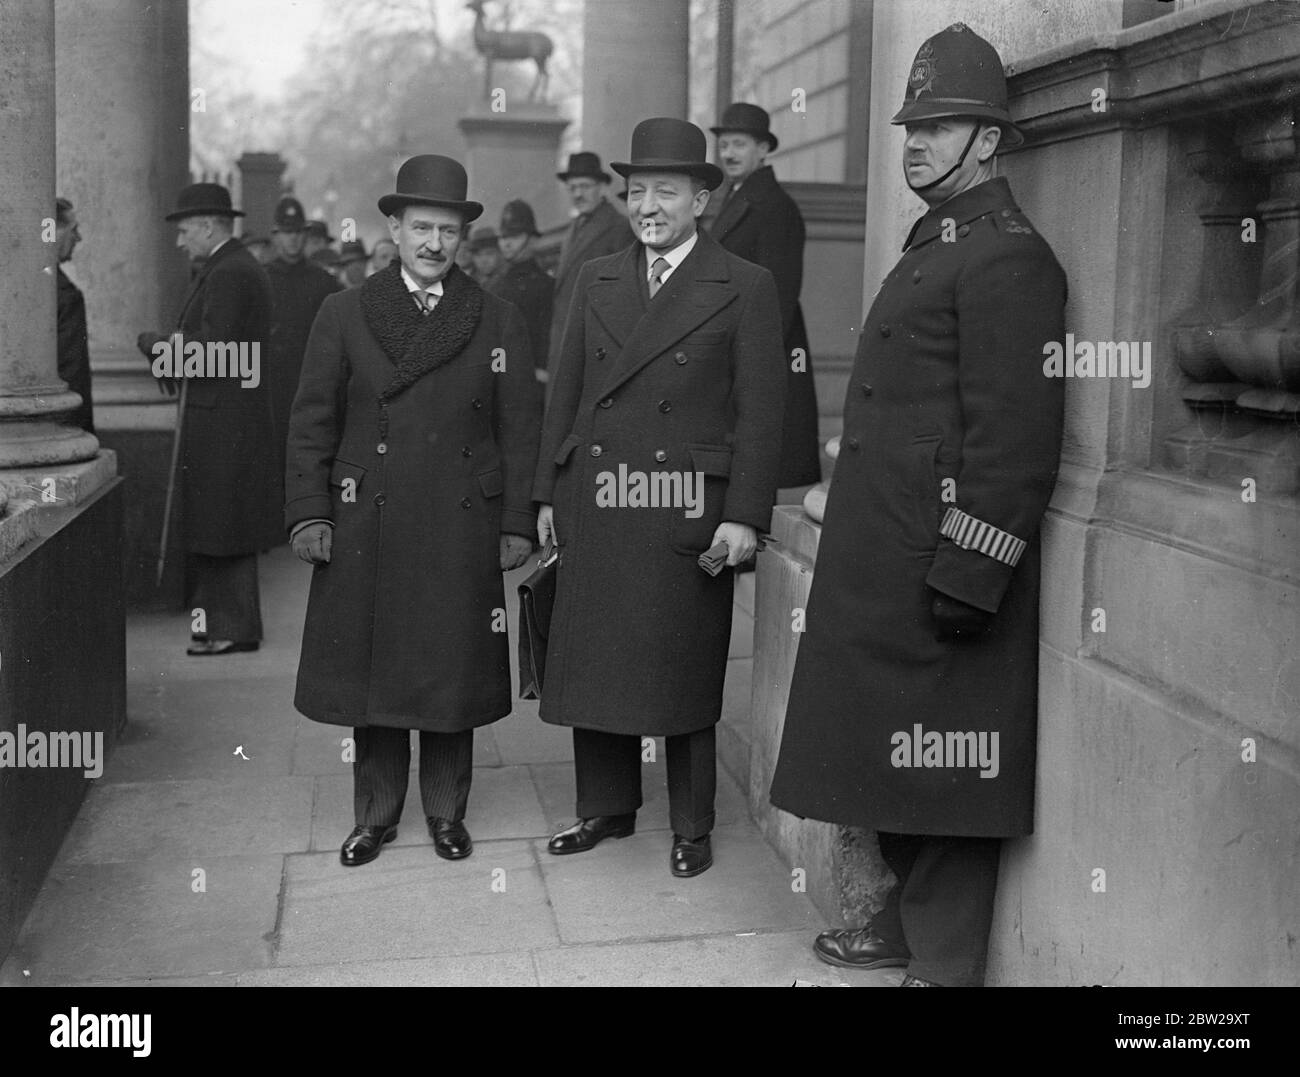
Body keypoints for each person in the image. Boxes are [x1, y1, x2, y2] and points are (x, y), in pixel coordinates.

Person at [768, 23, 1068, 987]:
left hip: (944, 563)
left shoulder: (1011, 257)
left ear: (989, 137)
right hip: (889, 555)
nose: (916, 143)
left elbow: (1015, 444)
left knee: (950, 774)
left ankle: (942, 969)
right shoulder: (941, 243)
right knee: (886, 757)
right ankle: (893, 929)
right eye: (911, 126)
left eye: (940, 126)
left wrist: (972, 571)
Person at [533, 118, 786, 878]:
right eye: (637, 189)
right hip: (598, 494)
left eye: (666, 191)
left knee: (681, 664)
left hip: (686, 502)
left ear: (701, 200)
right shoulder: (596, 277)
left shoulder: (744, 284)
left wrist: (744, 513)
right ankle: (605, 808)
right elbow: (568, 393)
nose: (648, 205)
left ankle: (691, 823)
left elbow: (761, 411)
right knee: (594, 656)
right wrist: (546, 492)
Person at [285, 154, 542, 868]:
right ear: (393, 227)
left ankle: (446, 810)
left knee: (449, 670)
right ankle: (374, 813)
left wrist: (517, 521)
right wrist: (311, 512)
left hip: (462, 518)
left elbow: (521, 430)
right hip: (367, 514)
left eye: (448, 231)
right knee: (374, 675)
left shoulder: (498, 319)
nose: (434, 243)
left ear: (463, 238)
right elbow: (311, 420)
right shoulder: (342, 312)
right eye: (421, 226)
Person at [137, 182, 281, 655]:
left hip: (226, 423)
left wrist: (159, 348)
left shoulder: (230, 273)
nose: (180, 242)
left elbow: (217, 352)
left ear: (207, 226)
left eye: (184, 232)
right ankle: (228, 628)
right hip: (227, 418)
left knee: (221, 526)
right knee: (221, 526)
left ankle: (225, 629)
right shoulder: (229, 267)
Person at [710, 103, 821, 489]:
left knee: (756, 468)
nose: (728, 154)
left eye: (738, 144)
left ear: (763, 149)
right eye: (723, 145)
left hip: (758, 349)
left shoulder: (774, 207)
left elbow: (779, 299)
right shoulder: (736, 197)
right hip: (731, 345)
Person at [264, 196, 341, 497]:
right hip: (272, 382)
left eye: (298, 232)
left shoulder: (323, 282)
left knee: (311, 447)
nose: (293, 240)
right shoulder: (262, 278)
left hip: (311, 379)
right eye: (286, 232)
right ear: (275, 235)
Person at [549, 151, 629, 382]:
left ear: (602, 187)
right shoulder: (575, 226)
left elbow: (618, 296)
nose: (578, 194)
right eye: (572, 188)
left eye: (584, 186)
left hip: (591, 343)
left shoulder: (618, 227)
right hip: (564, 340)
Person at [485, 200, 553, 381]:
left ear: (531, 239)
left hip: (530, 377)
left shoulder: (545, 285)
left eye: (514, 237)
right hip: (497, 374)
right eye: (503, 237)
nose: (506, 243)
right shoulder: (495, 283)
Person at [55, 197, 94, 434]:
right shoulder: (64, 295)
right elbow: (73, 375)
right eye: (73, 229)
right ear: (52, 231)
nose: (78, 238)